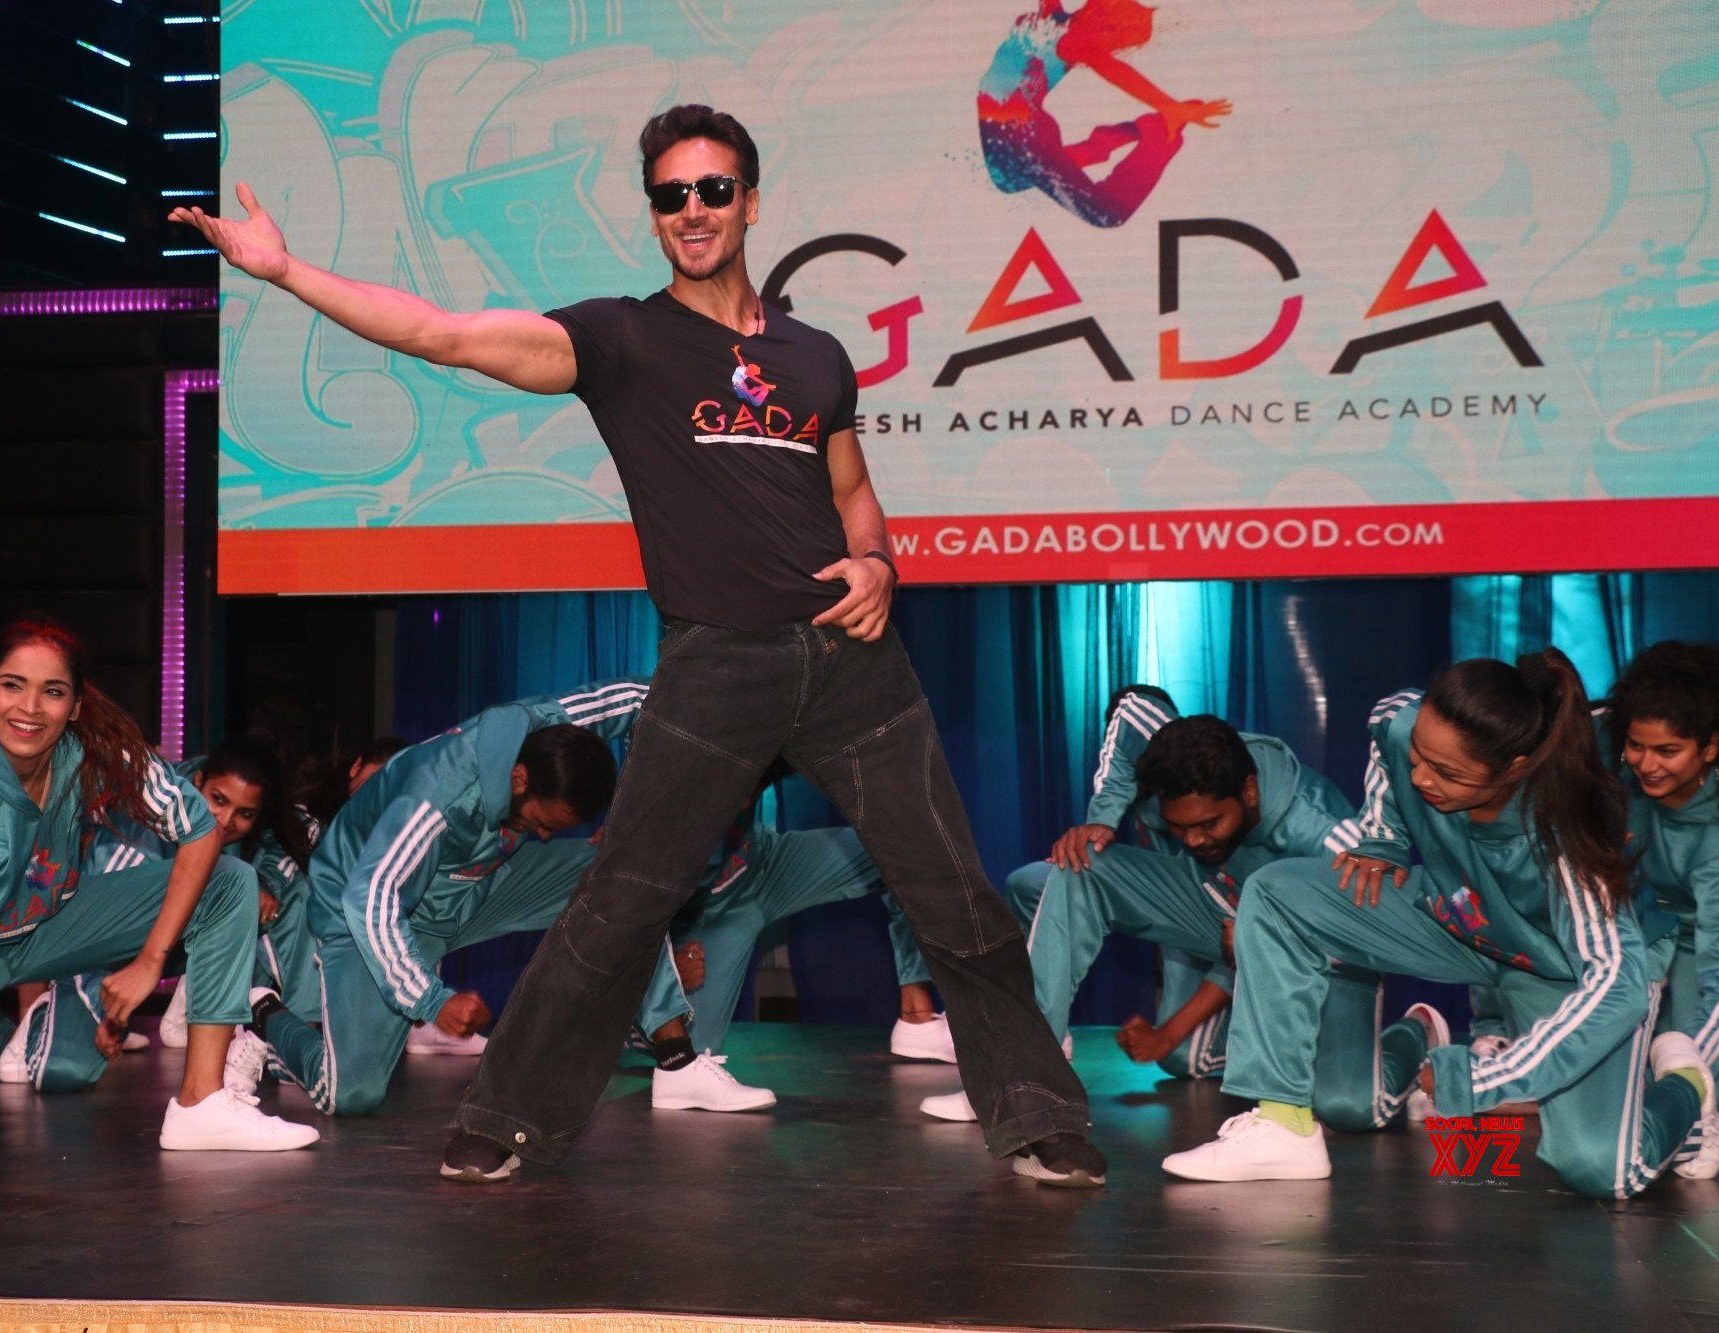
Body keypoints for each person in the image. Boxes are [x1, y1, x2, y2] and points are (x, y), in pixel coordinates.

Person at [174, 102, 1099, 1187]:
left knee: (954, 892)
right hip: (716, 667)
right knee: (619, 900)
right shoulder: (624, 340)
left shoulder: (816, 357)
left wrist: (877, 564)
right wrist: (286, 272)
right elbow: (442, 332)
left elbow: (853, 493)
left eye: (713, 190)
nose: (693, 210)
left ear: (750, 202)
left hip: (852, 668)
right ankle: (508, 1118)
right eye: (671, 195)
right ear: (655, 215)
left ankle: (1038, 1115)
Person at [1162, 650, 1715, 1198]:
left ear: (1514, 768)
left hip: (1559, 967)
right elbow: (1389, 722)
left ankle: (1686, 1088)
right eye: (1420, 758)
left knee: (1600, 1168)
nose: (1422, 778)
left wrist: (1484, 1079)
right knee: (1277, 892)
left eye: (1447, 773)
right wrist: (1384, 834)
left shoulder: (1566, 836)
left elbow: (1616, 985)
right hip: (1462, 919)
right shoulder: (1410, 731)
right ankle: (1284, 1127)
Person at [0, 616, 319, 1165]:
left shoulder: (90, 752)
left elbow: (200, 829)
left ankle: (202, 1104)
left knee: (230, 881)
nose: (29, 707)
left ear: (74, 705)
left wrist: (150, 961)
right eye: (12, 685)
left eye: (52, 691)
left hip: (45, 929)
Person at [250, 680, 709, 1116]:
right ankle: (264, 1011)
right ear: (518, 779)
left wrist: (634, 804)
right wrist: (433, 1002)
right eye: (539, 823)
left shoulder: (544, 728)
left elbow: (647, 697)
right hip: (367, 912)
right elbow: (370, 899)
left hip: (478, 883)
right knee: (350, 1093)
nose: (544, 837)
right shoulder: (434, 799)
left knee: (627, 873)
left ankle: (675, 1058)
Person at [923, 688, 1375, 1122]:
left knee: (1347, 1107)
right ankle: (1019, 1078)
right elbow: (1131, 710)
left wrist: (1271, 928)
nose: (1193, 840)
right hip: (1219, 912)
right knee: (1081, 865)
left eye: (1209, 823)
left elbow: (1375, 918)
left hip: (1321, 945)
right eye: (1180, 827)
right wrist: (1101, 819)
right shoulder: (1175, 758)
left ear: (1250, 792)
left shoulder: (1317, 829)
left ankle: (1395, 1042)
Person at [0, 734, 318, 1098]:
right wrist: (112, 1013)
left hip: (181, 942)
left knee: (284, 887)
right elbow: (97, 936)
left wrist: (267, 882)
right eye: (218, 800)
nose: (227, 820)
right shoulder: (145, 823)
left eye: (245, 813)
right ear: (198, 782)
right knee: (62, 1073)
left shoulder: (253, 819)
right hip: (101, 955)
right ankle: (43, 1013)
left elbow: (304, 826)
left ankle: (251, 1020)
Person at [647, 758, 952, 1105]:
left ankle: (918, 1019)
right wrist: (665, 971)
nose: (743, 801)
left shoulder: (753, 749)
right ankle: (650, 1033)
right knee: (688, 1054)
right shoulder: (663, 779)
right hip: (702, 923)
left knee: (907, 850)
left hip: (766, 867)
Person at [1601, 641, 1719, 1177]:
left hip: (1711, 948)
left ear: (1710, 747)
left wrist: (1685, 1078)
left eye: (1668, 751)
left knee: (1682, 1072)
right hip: (1649, 934)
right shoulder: (1615, 768)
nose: (1647, 764)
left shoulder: (1717, 837)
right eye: (1636, 746)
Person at [977, 0, 1231, 228]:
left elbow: (1114, 69)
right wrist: (1170, 107)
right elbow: (1112, 67)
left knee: (1107, 213)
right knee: (1009, 181)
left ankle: (1158, 137)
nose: (1102, 21)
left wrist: (1170, 106)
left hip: (1020, 131)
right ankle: (1102, 144)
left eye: (1115, 34)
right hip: (1012, 129)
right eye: (1105, 10)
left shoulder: (1067, 33)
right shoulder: (1057, 21)